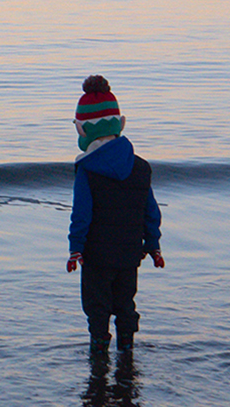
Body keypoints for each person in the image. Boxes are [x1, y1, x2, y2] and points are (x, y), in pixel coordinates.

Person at [65, 75, 164, 351]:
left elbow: (81, 214)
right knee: (125, 304)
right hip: (130, 253)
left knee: (97, 308)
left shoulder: (87, 170)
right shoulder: (141, 167)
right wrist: (153, 245)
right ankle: (127, 354)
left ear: (82, 129)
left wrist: (75, 249)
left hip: (97, 256)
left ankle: (99, 358)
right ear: (120, 124)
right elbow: (150, 211)